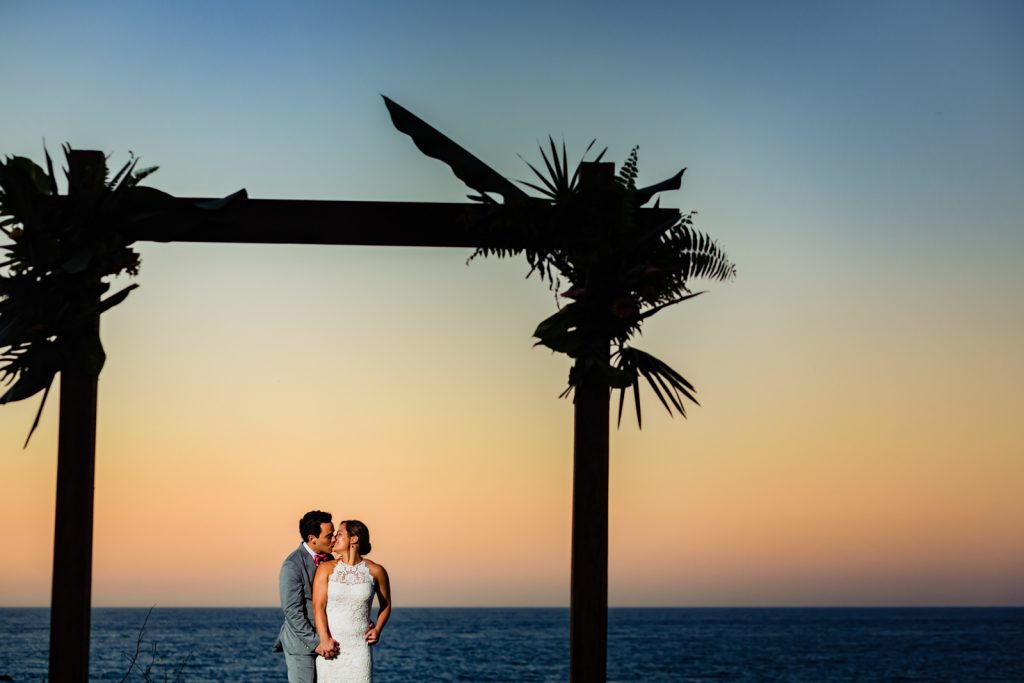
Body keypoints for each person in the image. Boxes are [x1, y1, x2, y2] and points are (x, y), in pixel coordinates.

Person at [312, 520, 392, 683]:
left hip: (359, 650)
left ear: (354, 539)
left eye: (339, 534)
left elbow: (386, 605)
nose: (334, 539)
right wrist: (324, 639)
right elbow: (318, 607)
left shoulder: (377, 571)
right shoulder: (325, 569)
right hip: (332, 648)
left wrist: (377, 629)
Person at [275, 510, 340, 683]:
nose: (334, 539)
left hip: (328, 641)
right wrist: (316, 643)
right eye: (329, 535)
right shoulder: (292, 564)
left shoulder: (330, 559)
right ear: (312, 538)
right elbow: (292, 611)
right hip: (302, 646)